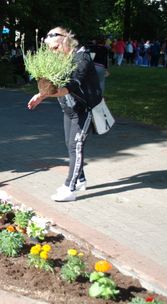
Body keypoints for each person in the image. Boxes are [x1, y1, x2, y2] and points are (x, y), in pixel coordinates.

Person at [27, 26, 102, 202]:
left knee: (76, 146)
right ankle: (81, 179)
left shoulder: (81, 57)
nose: (53, 53)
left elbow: (72, 85)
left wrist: (48, 93)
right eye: (50, 49)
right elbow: (51, 86)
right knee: (70, 145)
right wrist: (41, 95)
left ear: (66, 40)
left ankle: (70, 187)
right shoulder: (59, 60)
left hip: (84, 110)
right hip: (69, 110)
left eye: (55, 48)